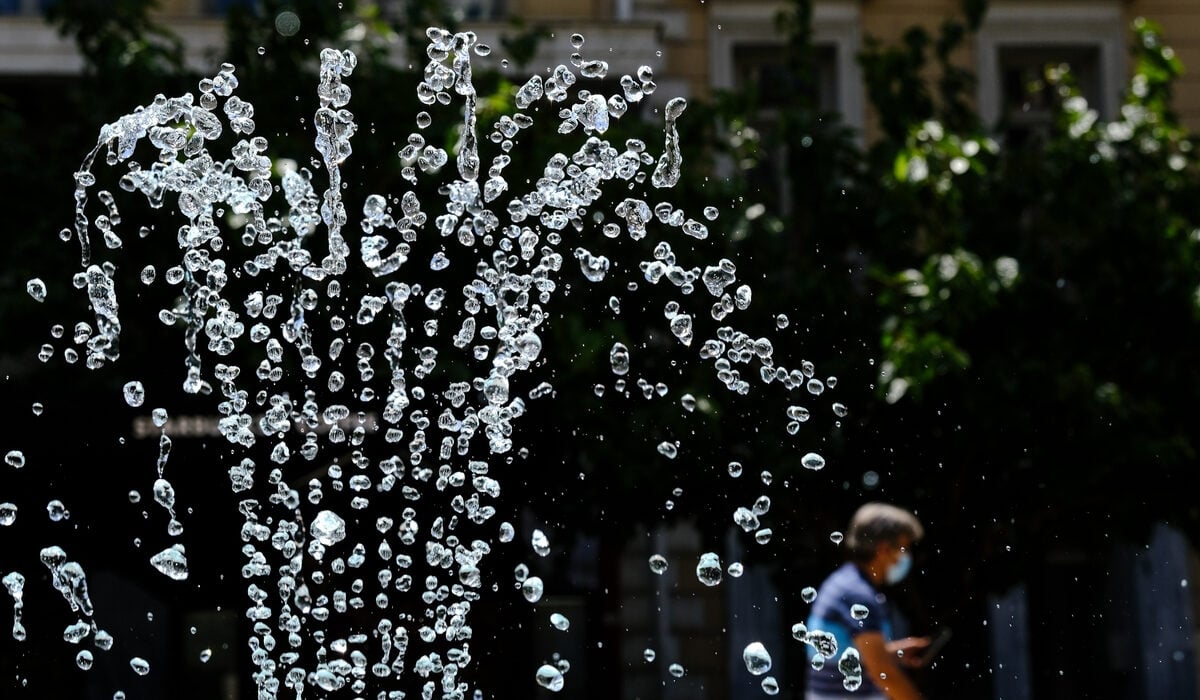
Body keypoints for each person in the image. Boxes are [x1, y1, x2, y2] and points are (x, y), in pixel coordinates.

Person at [804, 502, 932, 700]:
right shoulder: (859, 595)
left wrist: (893, 653)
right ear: (883, 549)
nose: (906, 556)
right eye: (903, 548)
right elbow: (883, 672)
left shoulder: (842, 582)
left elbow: (849, 654)